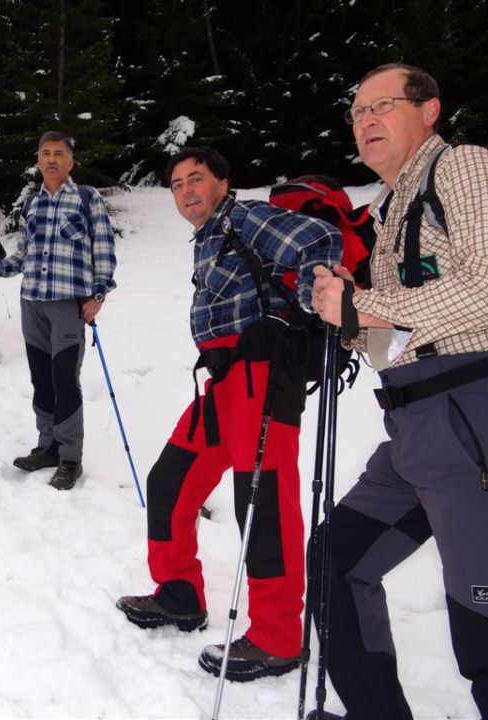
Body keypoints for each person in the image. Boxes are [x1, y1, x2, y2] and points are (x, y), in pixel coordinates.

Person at [310, 63, 488, 720]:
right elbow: (403, 338)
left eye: (382, 105)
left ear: (429, 112)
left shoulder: (468, 170)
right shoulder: (392, 211)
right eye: (356, 111)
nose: (365, 119)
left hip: (484, 414)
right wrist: (346, 323)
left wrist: (362, 306)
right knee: (335, 563)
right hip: (422, 428)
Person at [116, 146, 342, 682]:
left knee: (262, 502)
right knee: (170, 478)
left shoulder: (241, 216)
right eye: (175, 184)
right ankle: (178, 596)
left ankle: (278, 637)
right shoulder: (211, 236)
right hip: (225, 379)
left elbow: (318, 239)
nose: (185, 191)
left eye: (196, 179)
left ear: (223, 182)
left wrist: (315, 298)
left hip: (263, 371)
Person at [0, 131, 117, 491]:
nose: (51, 159)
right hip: (32, 302)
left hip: (67, 305)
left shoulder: (87, 199)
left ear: (70, 162)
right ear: (38, 161)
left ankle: (71, 458)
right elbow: (23, 256)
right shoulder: (31, 205)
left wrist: (98, 295)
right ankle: (48, 446)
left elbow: (103, 250)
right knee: (42, 380)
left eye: (59, 153)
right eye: (45, 153)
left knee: (65, 380)